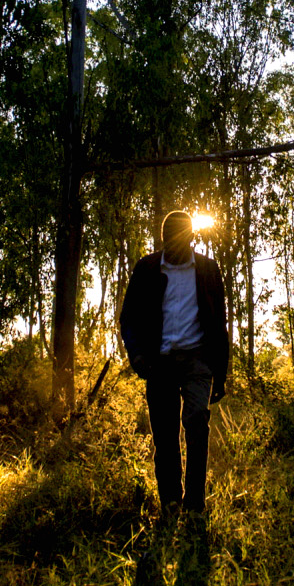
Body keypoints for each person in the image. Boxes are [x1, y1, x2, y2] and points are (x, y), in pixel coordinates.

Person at [118, 209, 231, 517]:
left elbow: (219, 321)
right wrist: (138, 355)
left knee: (197, 426)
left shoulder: (208, 269)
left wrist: (220, 373)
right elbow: (128, 318)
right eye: (169, 239)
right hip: (160, 364)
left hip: (198, 362)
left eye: (180, 238)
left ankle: (195, 506)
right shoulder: (147, 268)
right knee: (165, 436)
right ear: (162, 238)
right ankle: (171, 503)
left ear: (192, 237)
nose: (174, 244)